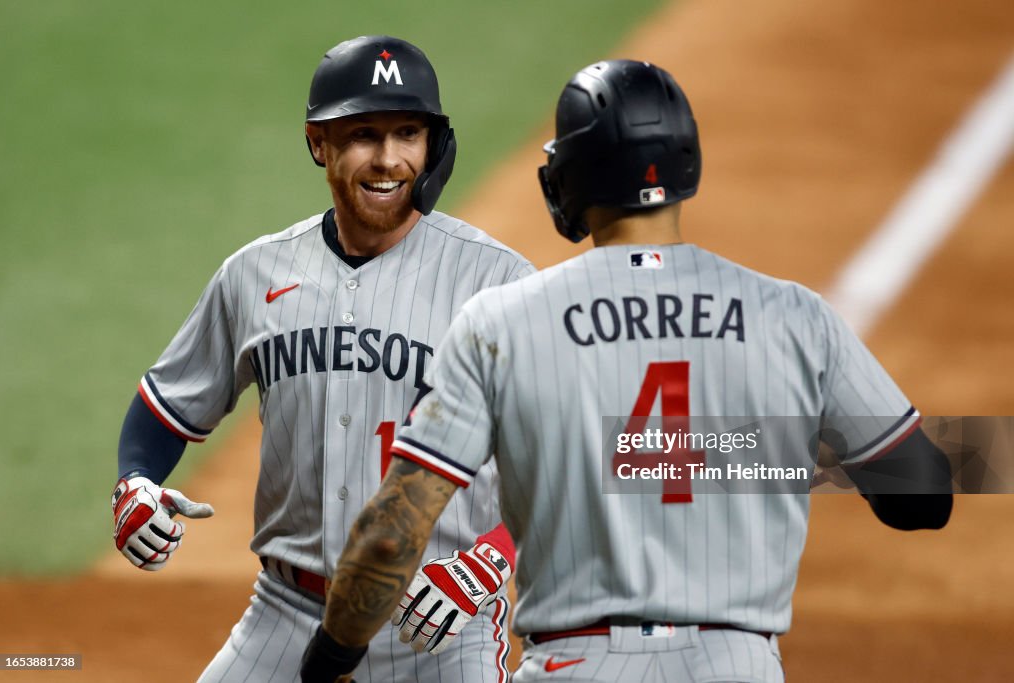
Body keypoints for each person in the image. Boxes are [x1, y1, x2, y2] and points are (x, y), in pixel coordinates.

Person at [301, 60, 954, 682]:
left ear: (572, 176)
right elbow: (921, 492)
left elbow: (392, 535)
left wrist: (330, 654)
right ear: (686, 164)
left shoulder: (499, 320)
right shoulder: (794, 314)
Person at [110, 35, 533, 682]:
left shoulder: (499, 280)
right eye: (363, 133)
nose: (389, 158)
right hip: (287, 606)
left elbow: (567, 452)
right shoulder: (255, 274)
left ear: (434, 145)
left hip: (438, 616)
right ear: (318, 143)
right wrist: (135, 479)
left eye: (408, 133)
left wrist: (493, 559)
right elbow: (165, 407)